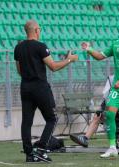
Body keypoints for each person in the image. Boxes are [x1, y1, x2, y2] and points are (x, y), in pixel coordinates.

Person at [14, 20, 78, 163]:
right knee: (52, 118)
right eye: (40, 29)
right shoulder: (40, 46)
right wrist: (69, 60)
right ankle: (42, 149)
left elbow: (19, 70)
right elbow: (53, 67)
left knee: (26, 122)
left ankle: (29, 154)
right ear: (36, 30)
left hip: (25, 87)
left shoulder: (18, 48)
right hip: (40, 87)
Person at [81, 17, 119, 159]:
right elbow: (99, 56)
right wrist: (89, 49)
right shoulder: (115, 44)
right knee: (109, 114)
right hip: (117, 87)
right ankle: (112, 147)